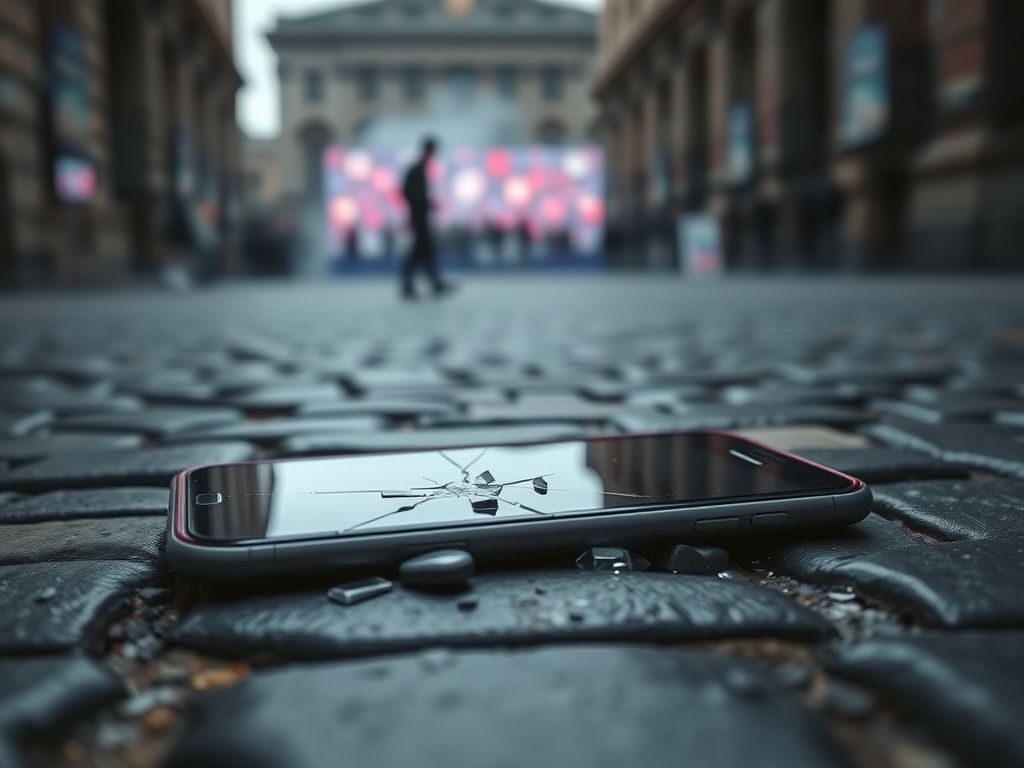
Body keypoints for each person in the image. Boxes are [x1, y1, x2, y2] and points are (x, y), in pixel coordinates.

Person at [401, 136, 454, 299]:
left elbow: (410, 193)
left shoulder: (419, 169)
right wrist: (425, 205)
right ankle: (413, 285)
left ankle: (431, 283)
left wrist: (426, 204)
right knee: (420, 252)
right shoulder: (417, 169)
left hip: (420, 216)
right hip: (419, 218)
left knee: (424, 252)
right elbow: (410, 193)